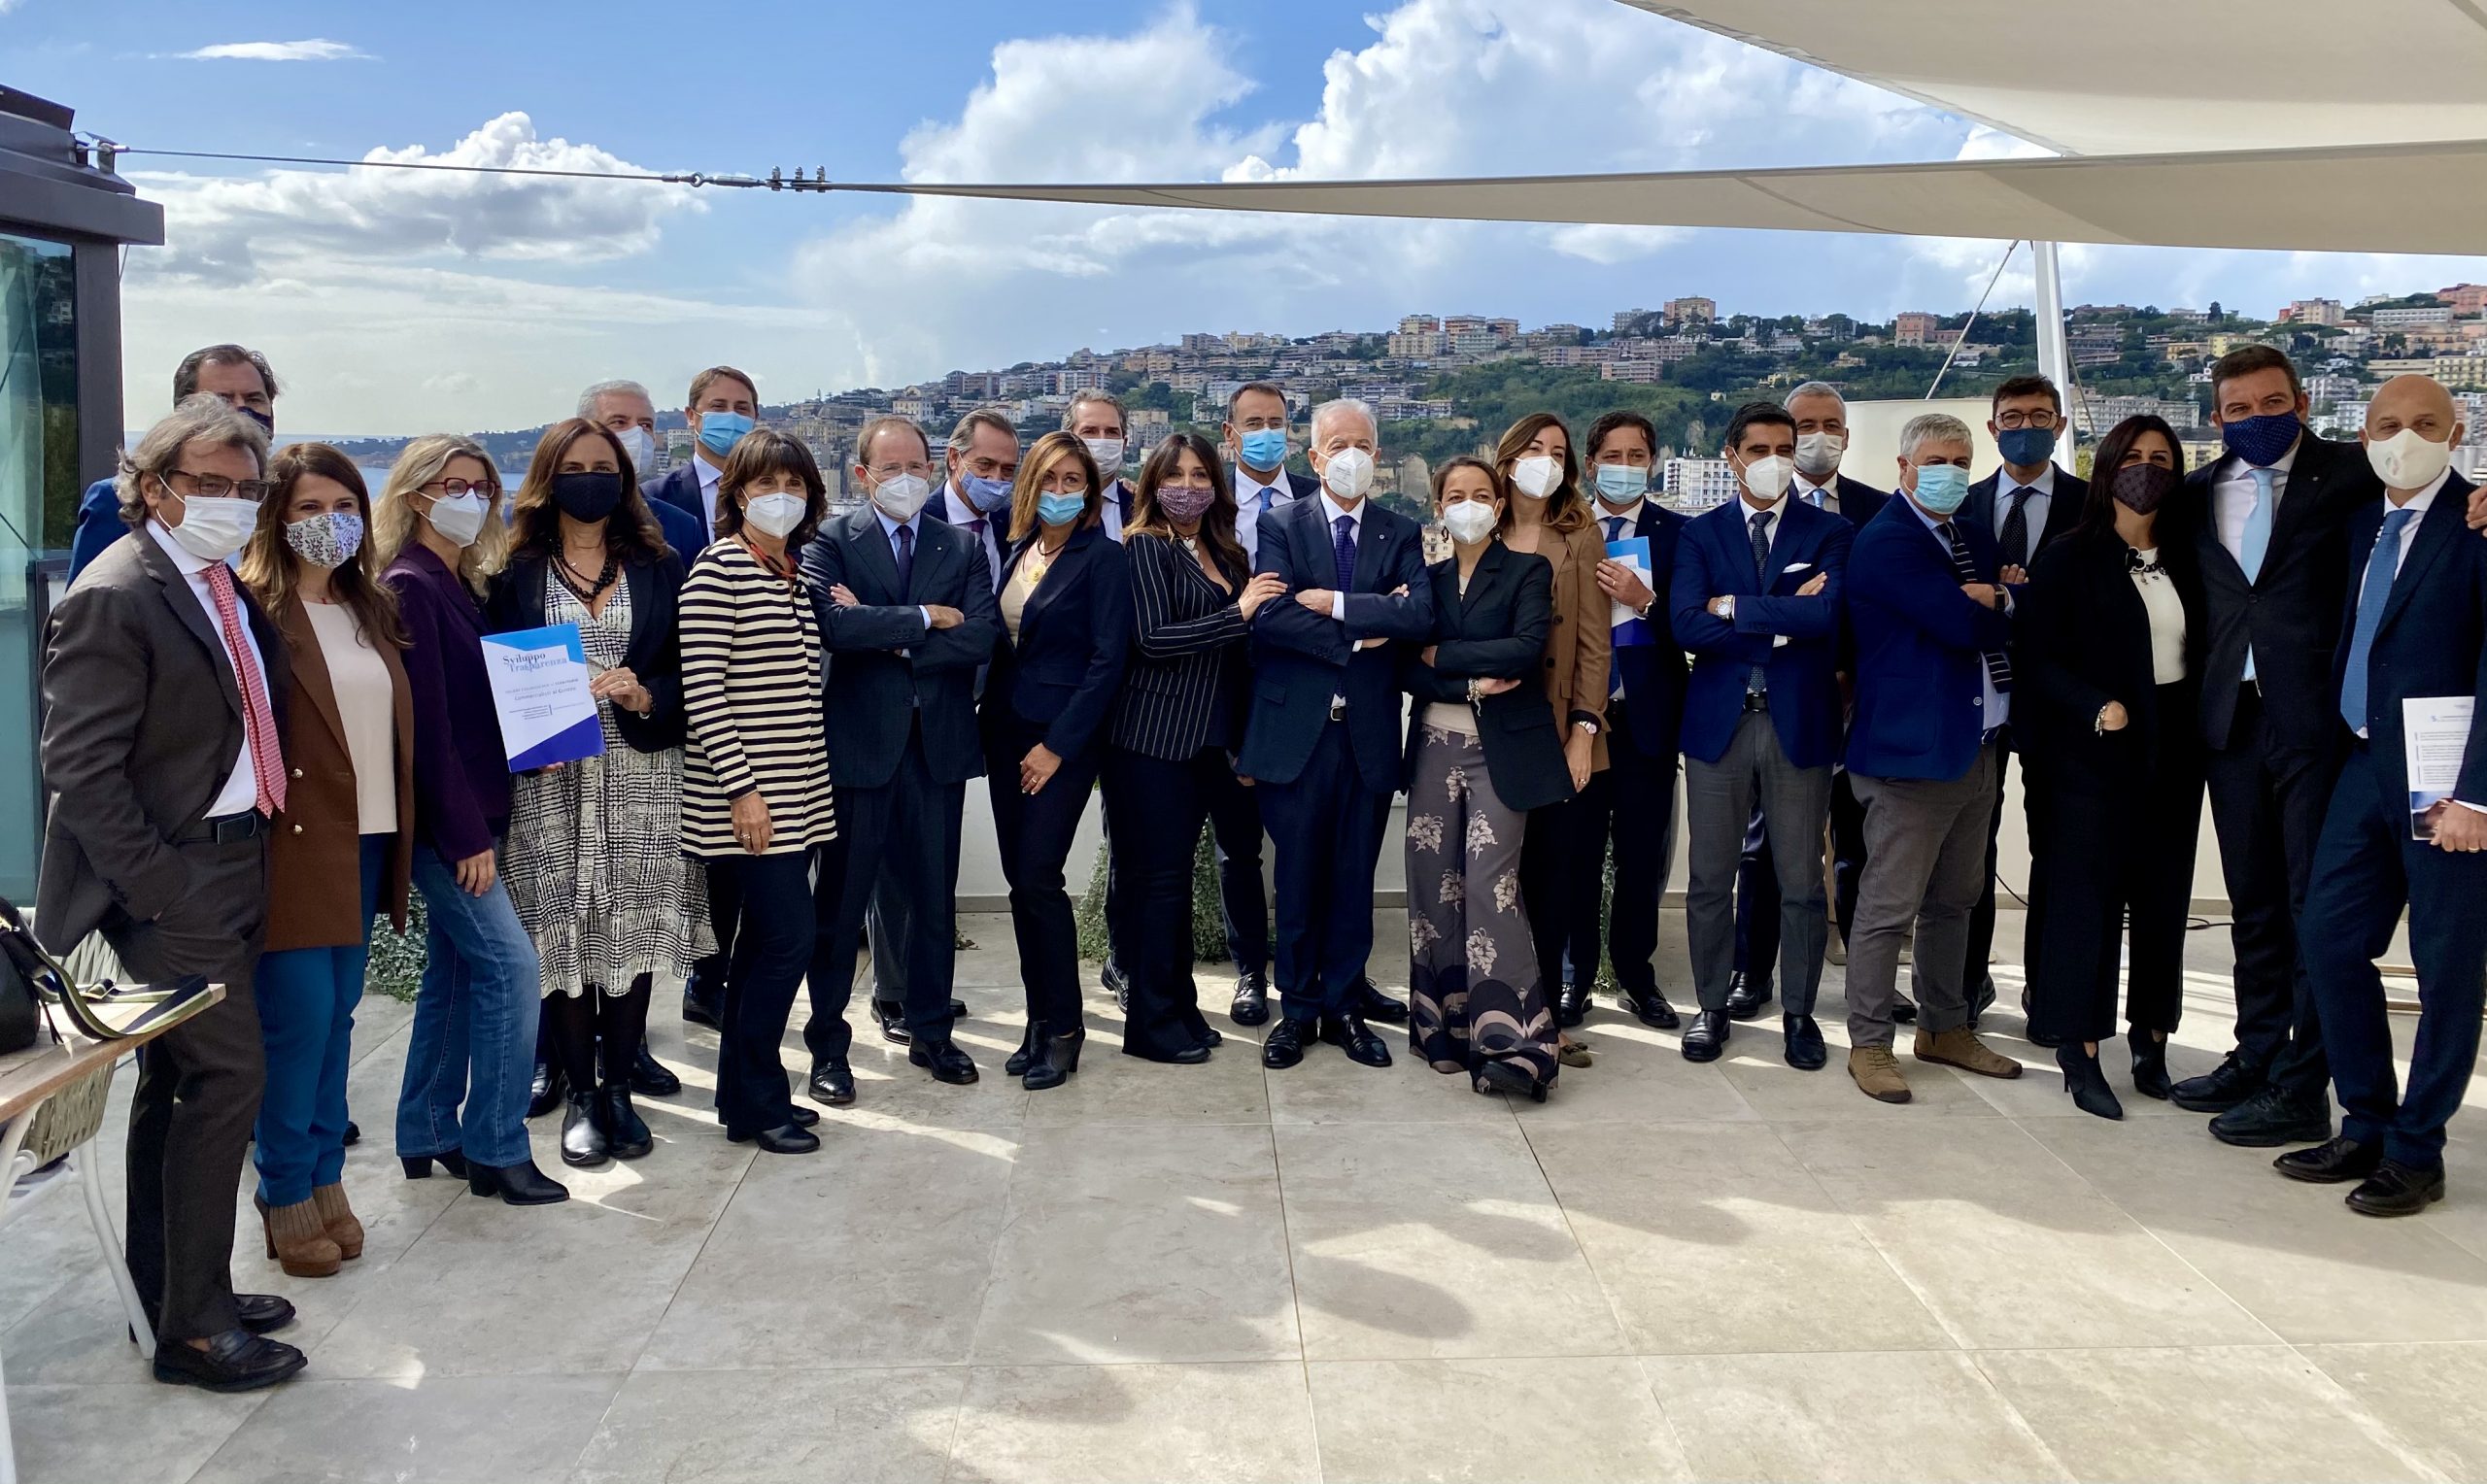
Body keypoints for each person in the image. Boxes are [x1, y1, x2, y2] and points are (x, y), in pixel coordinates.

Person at [37, 397, 305, 1390]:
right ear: (152, 487)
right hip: (175, 877)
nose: (231, 502)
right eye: (207, 484)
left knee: (178, 1083)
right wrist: (161, 890)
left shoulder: (215, 581)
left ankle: (176, 1288)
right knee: (228, 1079)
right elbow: (81, 770)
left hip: (238, 858)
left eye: (247, 488)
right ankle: (194, 1332)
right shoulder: (117, 592)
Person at [2281, 374, 2487, 1216]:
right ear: (2362, 437)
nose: (2407, 438)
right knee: (2330, 939)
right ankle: (2365, 1120)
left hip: (2448, 784)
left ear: (2457, 431)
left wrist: (2478, 795)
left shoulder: (2477, 524)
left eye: (2426, 424)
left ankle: (2416, 1150)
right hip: (2364, 766)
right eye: (2389, 424)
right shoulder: (2363, 522)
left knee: (2446, 968)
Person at [2176, 345, 2383, 1148]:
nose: (2256, 419)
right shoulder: (2197, 493)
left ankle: (2303, 1084)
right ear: (2216, 416)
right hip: (2231, 721)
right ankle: (2256, 1054)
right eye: (2238, 409)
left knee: (2312, 907)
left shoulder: (2355, 473)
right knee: (2253, 901)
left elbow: (2429, 506)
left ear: (2301, 403)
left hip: (2316, 722)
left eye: (2272, 404)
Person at [488, 419, 696, 1168]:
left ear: (624, 479)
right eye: (573, 467)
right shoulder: (509, 569)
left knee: (630, 930)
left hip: (642, 775)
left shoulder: (660, 562)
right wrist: (527, 735)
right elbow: (488, 675)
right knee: (563, 930)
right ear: (548, 478)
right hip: (551, 780)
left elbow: (688, 668)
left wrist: (645, 695)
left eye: (603, 467)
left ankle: (618, 1089)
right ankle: (580, 1092)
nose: (590, 479)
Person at [238, 444, 413, 1277]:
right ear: (276, 516)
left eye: (344, 506)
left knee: (340, 1015)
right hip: (297, 842)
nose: (329, 523)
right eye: (308, 507)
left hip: (369, 836)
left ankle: (325, 1175)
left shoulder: (369, 606)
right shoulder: (254, 611)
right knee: (298, 1021)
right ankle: (283, 1187)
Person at [377, 435, 566, 1206]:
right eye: (452, 484)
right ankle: (496, 1145)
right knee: (512, 969)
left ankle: (427, 1129)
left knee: (454, 974)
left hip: (479, 809)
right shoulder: (410, 584)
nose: (471, 498)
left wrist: (535, 743)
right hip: (448, 826)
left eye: (482, 486)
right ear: (414, 494)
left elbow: (479, 706)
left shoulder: (457, 582)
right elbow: (424, 727)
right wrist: (462, 837)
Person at [799, 415, 1002, 1096]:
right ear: (863, 476)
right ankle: (829, 1050)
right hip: (859, 750)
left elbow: (980, 637)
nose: (906, 479)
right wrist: (923, 618)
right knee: (840, 905)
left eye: (917, 466)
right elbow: (832, 625)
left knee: (933, 902)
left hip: (936, 749)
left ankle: (932, 1032)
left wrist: (882, 632)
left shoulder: (960, 545)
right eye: (892, 468)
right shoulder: (831, 540)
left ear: (935, 467)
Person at [2017, 416, 2204, 1118]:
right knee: (2085, 900)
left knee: (2163, 897)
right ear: (2106, 468)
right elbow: (2036, 658)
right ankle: (2080, 1046)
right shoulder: (2069, 556)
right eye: (2132, 457)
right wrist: (2096, 706)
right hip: (2091, 751)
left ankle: (2152, 1037)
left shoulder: (2189, 554)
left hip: (2174, 747)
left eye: (2161, 458)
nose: (2147, 469)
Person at [1243, 396, 1434, 1070]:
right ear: (1314, 457)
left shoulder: (1400, 530)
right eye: (1336, 446)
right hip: (1297, 734)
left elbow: (1421, 615)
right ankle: (1297, 1010)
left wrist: (1337, 605)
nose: (1350, 456)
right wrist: (1362, 633)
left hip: (1368, 736)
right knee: (1297, 878)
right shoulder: (1281, 524)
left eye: (1362, 445)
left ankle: (1345, 1006)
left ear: (1376, 454)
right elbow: (1271, 617)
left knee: (1354, 880)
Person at [1840, 412, 2027, 1103]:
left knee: (1957, 900)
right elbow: (1958, 624)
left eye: (1961, 461)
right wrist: (2009, 602)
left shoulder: (1970, 534)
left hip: (1978, 746)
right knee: (1889, 907)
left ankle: (1945, 1027)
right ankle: (1869, 1043)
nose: (1950, 473)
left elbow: (1996, 611)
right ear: (1904, 468)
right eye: (1936, 461)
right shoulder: (1887, 540)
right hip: (1911, 755)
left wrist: (2002, 596)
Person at [1670, 401, 1849, 1070]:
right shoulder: (1700, 534)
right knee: (1710, 879)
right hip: (1718, 726)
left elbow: (1826, 617)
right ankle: (1711, 1006)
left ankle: (1800, 1013)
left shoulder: (1830, 531)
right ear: (1732, 457)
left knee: (1801, 882)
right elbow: (1686, 625)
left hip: (1798, 723)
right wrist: (1780, 622)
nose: (1774, 460)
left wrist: (1735, 608)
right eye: (1759, 449)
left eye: (1784, 447)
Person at [679, 429, 839, 1154]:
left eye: (795, 484)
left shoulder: (788, 573)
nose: (782, 495)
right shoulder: (720, 570)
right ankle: (761, 1097)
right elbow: (704, 692)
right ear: (738, 493)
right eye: (766, 483)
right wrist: (743, 792)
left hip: (795, 795)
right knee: (787, 942)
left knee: (761, 947)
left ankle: (746, 1098)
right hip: (748, 802)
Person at [1103, 433, 1284, 1062]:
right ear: (1153, 485)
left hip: (1209, 745)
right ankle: (1151, 1026)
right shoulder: (1142, 548)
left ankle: (1180, 1008)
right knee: (1156, 885)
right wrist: (1240, 612)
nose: (1188, 486)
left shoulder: (1225, 551)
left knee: (1175, 885)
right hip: (1150, 743)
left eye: (1201, 475)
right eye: (1175, 475)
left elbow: (1237, 661)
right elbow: (1153, 638)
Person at [1402, 455, 1572, 1097]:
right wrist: (1470, 680)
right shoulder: (1426, 579)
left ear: (1499, 506)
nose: (1468, 505)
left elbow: (1524, 650)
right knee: (1432, 884)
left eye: (1481, 494)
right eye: (1456, 495)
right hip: (1432, 745)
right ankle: (1441, 1029)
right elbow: (1405, 668)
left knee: (1491, 886)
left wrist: (1442, 654)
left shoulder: (1528, 571)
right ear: (1439, 507)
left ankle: (1517, 1044)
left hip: (1501, 751)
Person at [980, 431, 1131, 1089]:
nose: (1061, 491)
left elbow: (1107, 663)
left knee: (1039, 875)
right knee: (1020, 881)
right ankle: (1038, 1020)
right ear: (1030, 486)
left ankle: (1067, 1026)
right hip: (1005, 734)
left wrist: (1056, 747)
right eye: (1050, 479)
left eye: (1074, 481)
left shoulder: (1104, 558)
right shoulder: (1019, 550)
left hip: (1061, 743)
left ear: (1090, 491)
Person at [1733, 381, 1888, 989]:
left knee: (1860, 844)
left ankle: (1867, 982)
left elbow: (1876, 606)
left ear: (1847, 435)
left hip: (1863, 703)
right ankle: (1751, 973)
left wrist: (1851, 673)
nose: (1819, 438)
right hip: (1780, 699)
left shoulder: (1880, 509)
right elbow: (1745, 607)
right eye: (1805, 427)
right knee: (1765, 844)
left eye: (1831, 425)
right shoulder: (1753, 515)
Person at [1959, 374, 2089, 1029]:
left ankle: (2049, 992)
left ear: (2060, 426)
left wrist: (2013, 597)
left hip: (2060, 702)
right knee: (1969, 852)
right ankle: (1966, 985)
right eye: (2012, 417)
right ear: (1993, 428)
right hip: (1976, 696)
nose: (2026, 427)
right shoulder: (1963, 503)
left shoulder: (2092, 506)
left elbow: (2096, 603)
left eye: (2040, 416)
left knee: (2058, 852)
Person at [1494, 414, 1611, 1067]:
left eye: (1558, 452)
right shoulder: (1477, 525)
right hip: (1489, 726)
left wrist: (1584, 733)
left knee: (1550, 877)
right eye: (1535, 448)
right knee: (1491, 876)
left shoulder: (1581, 534)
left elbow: (1595, 644)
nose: (1546, 460)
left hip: (1559, 726)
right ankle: (1487, 1007)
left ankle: (1545, 1019)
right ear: (1508, 458)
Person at [643, 366, 758, 1031]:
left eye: (743, 407)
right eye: (718, 406)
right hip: (672, 700)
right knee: (669, 855)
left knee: (733, 860)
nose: (730, 417)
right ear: (690, 417)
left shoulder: (770, 496)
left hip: (749, 710)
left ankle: (710, 982)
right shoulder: (657, 502)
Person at [1579, 411, 1688, 1029]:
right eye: (1613, 456)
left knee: (1642, 857)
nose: (1625, 467)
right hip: (1579, 722)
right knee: (1576, 854)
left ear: (1652, 462)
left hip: (1647, 720)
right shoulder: (1567, 529)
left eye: (1637, 456)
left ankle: (1636, 977)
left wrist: (1646, 602)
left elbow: (1694, 626)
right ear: (1590, 463)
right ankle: (1573, 976)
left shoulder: (1680, 535)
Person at [1214, 381, 1313, 1022]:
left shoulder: (1316, 496)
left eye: (1276, 421)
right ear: (1230, 435)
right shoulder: (1207, 502)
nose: (1266, 433)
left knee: (1310, 844)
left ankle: (1325, 969)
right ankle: (1250, 971)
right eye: (1253, 423)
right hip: (1226, 693)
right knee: (1238, 846)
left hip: (1303, 693)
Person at [67, 345, 279, 584]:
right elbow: (91, 593)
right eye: (222, 400)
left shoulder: (276, 497)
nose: (240, 410)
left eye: (253, 399)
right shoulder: (115, 499)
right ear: (184, 412)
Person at [581, 379, 706, 560]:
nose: (637, 433)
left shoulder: (682, 527)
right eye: (619, 422)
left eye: (646, 425)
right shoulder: (547, 517)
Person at [1065, 388, 1136, 540]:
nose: (1102, 439)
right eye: (1089, 431)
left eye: (1111, 432)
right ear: (1068, 439)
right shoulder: (1046, 508)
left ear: (1124, 444)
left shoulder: (1143, 509)